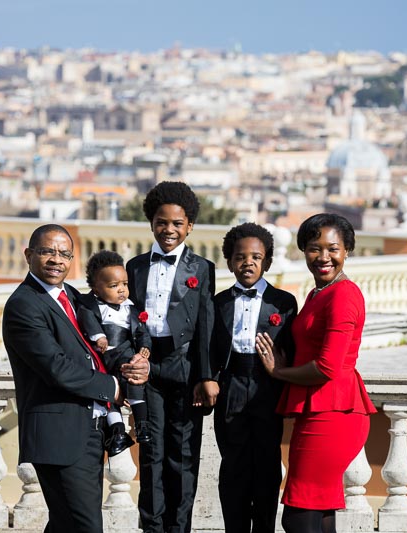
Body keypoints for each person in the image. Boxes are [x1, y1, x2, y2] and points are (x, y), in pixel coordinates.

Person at [3, 224, 150, 533]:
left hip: (89, 430)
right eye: (47, 251)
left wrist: (135, 363)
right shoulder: (23, 305)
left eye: (64, 253)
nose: (57, 259)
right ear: (29, 255)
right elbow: (56, 368)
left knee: (66, 525)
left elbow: (101, 347)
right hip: (59, 435)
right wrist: (114, 388)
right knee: (84, 526)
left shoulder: (72, 296)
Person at [256, 213, 376, 533]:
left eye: (333, 249)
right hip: (321, 408)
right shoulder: (317, 293)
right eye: (314, 248)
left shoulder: (344, 295)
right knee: (317, 513)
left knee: (298, 513)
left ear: (347, 251)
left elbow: (326, 367)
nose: (323, 257)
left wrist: (279, 372)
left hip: (333, 412)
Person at [126, 181, 217, 533]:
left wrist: (206, 376)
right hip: (147, 370)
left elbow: (206, 324)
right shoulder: (134, 267)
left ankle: (180, 529)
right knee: (151, 456)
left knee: (183, 457)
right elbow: (124, 320)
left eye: (177, 224)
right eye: (162, 222)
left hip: (186, 369)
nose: (169, 230)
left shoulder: (202, 268)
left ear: (189, 226)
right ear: (151, 222)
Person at [212, 223, 297, 533]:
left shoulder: (284, 303)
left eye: (256, 257)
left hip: (267, 387)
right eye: (240, 256)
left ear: (267, 262)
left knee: (266, 464)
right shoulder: (219, 302)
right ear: (230, 260)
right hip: (231, 385)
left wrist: (282, 373)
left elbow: (290, 349)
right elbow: (209, 348)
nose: (247, 262)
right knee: (233, 464)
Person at [77, 250, 153, 457]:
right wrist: (98, 336)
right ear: (95, 289)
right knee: (107, 397)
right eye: (113, 286)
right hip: (103, 357)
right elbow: (88, 321)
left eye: (125, 284)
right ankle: (118, 431)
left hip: (124, 354)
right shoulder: (91, 306)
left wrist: (145, 348)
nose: (121, 290)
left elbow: (141, 331)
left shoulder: (130, 309)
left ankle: (141, 424)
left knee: (134, 382)